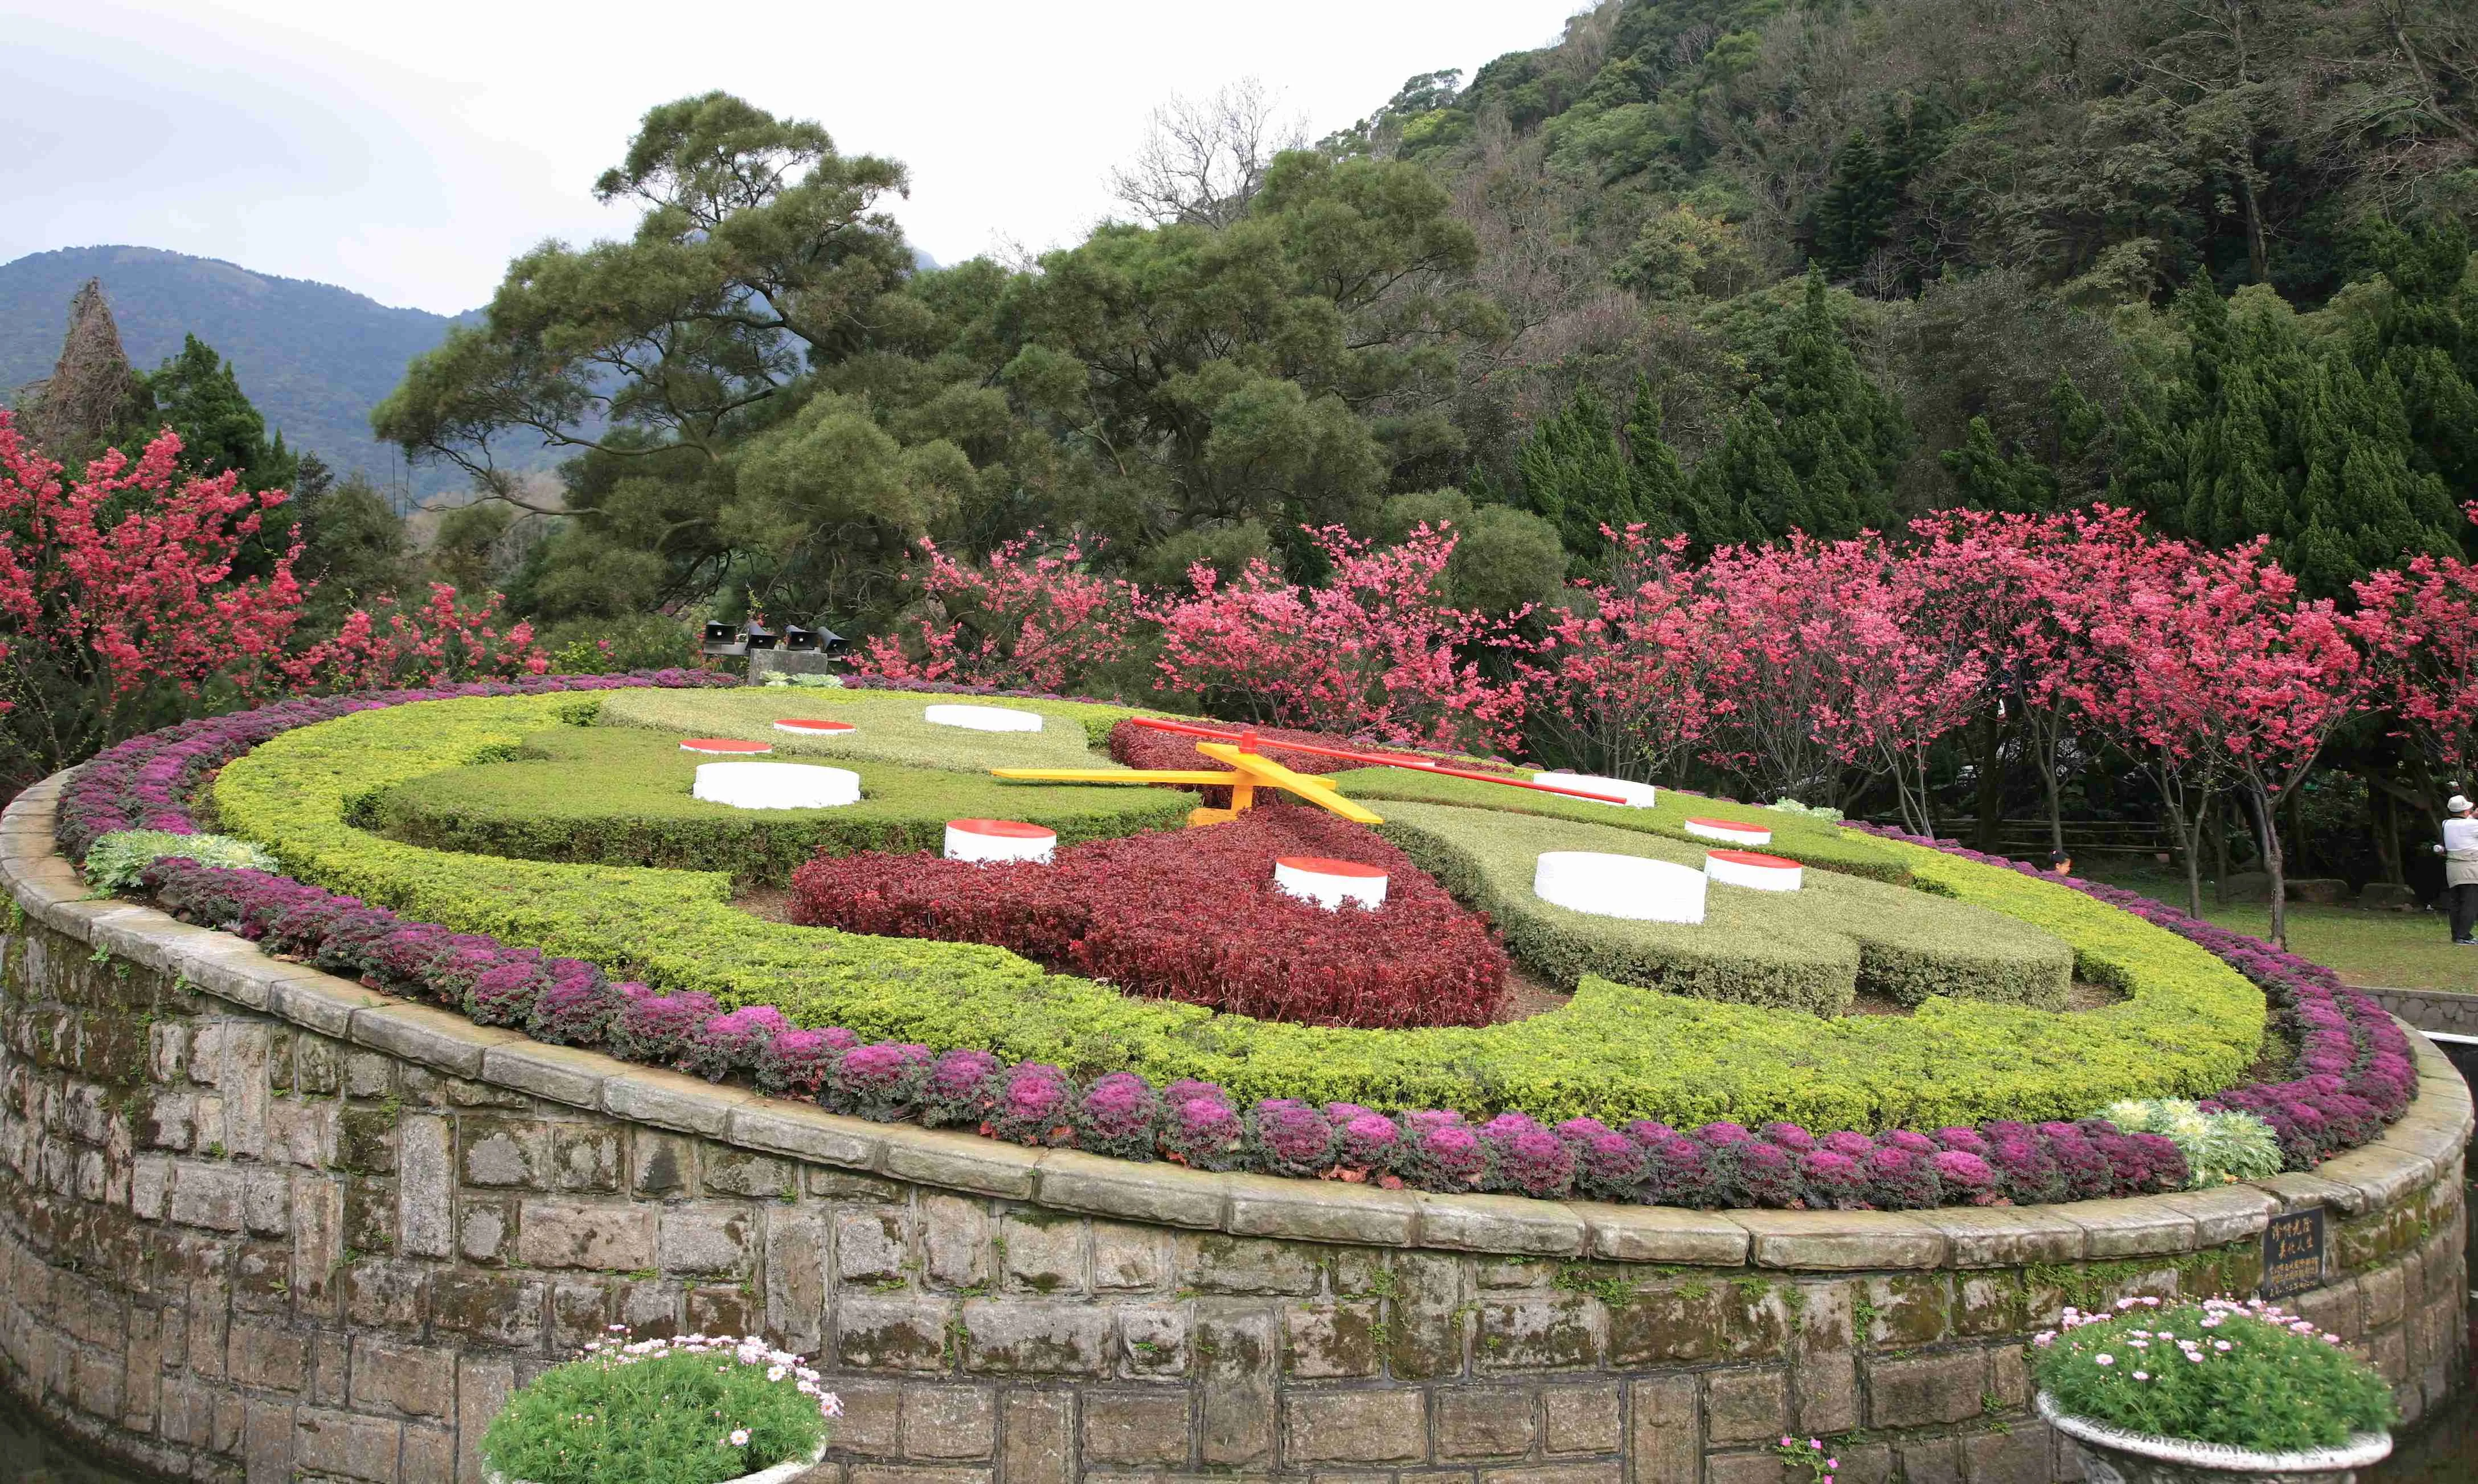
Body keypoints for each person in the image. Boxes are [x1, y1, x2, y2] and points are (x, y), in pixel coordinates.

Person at [2435, 796, 2478, 945]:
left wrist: (2472, 816)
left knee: (2456, 901)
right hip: (2470, 866)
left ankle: (2457, 935)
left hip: (2452, 867)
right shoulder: (2473, 826)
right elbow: (2469, 827)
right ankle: (2464, 936)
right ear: (2466, 811)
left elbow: (2462, 826)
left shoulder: (2446, 823)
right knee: (2470, 902)